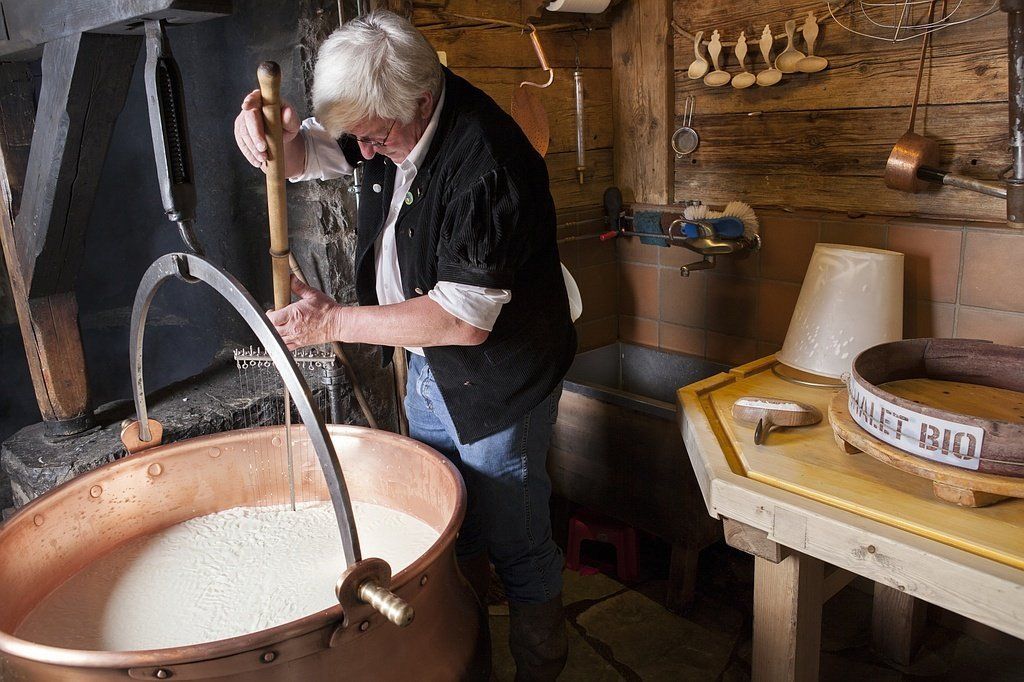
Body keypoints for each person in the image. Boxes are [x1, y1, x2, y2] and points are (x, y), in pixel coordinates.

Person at [233, 10, 576, 680]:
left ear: (422, 101)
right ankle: (466, 652)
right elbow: (308, 155)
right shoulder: (385, 125)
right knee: (445, 517)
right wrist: (268, 138)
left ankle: (541, 661)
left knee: (514, 533)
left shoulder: (488, 162)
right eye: (354, 136)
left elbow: (460, 322)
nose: (363, 150)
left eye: (374, 136)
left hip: (499, 376)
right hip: (429, 368)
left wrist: (332, 323)